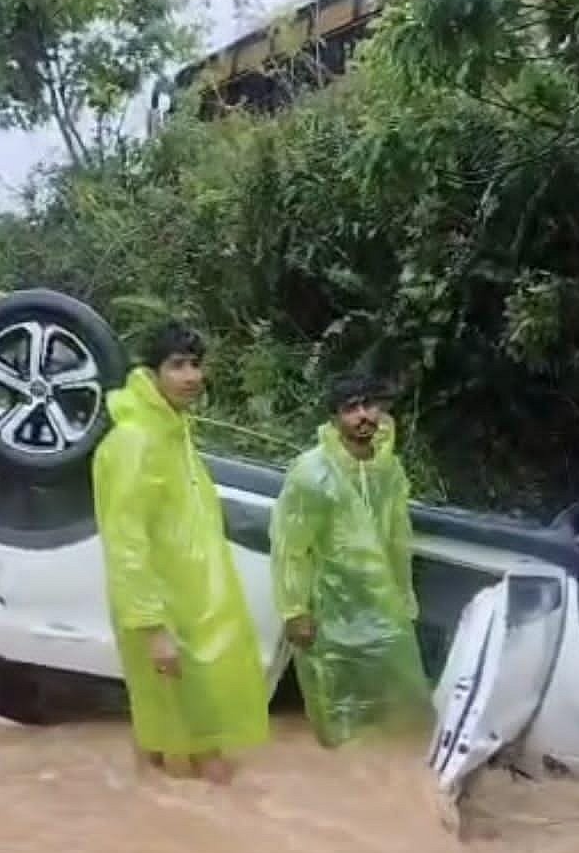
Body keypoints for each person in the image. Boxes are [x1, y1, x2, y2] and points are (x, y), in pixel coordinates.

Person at [91, 322, 269, 784]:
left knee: (169, 731)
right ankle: (173, 833)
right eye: (177, 365)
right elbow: (126, 543)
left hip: (192, 609)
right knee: (184, 741)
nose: (191, 376)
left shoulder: (174, 432)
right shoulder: (134, 442)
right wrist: (153, 629)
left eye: (195, 364)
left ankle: (153, 819)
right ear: (150, 374)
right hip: (159, 613)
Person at [270, 372, 432, 748]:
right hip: (331, 615)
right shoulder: (312, 473)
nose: (363, 416)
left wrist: (404, 599)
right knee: (337, 715)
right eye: (351, 408)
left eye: (370, 405)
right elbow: (290, 545)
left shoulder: (388, 469)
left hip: (383, 611)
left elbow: (396, 539)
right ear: (334, 418)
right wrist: (295, 610)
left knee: (392, 717)